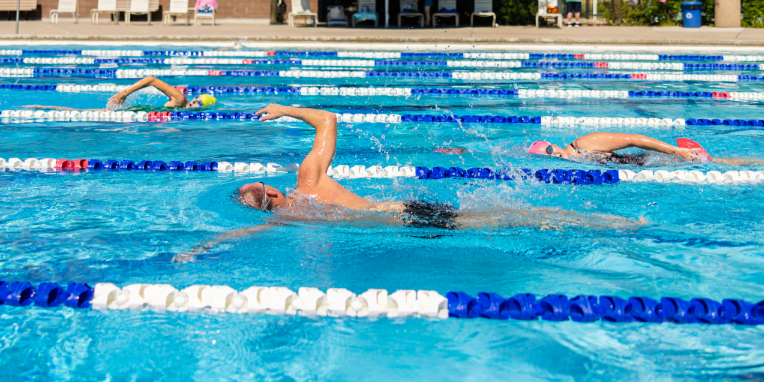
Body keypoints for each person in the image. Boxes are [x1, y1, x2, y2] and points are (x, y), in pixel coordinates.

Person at [173, 105, 644, 262]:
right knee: (509, 216)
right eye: (265, 182)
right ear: (272, 193)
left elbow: (240, 234)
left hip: (400, 228)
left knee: (502, 222)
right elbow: (328, 119)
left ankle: (598, 224)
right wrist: (285, 111)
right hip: (406, 211)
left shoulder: (287, 221)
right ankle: (608, 222)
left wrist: (200, 247)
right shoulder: (308, 184)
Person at [527, 132, 764, 167]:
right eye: (547, 156)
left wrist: (677, 152)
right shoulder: (573, 164)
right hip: (639, 169)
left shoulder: (583, 144)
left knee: (713, 163)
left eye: (550, 149)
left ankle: (761, 164)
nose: (554, 155)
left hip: (650, 160)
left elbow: (634, 138)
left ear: (554, 144)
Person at [23, 75, 216, 112]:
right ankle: (41, 107)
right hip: (135, 112)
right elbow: (151, 79)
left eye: (199, 103)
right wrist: (124, 93)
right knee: (84, 113)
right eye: (196, 99)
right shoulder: (180, 100)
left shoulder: (185, 112)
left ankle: (42, 107)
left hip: (139, 115)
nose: (194, 102)